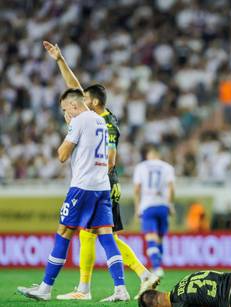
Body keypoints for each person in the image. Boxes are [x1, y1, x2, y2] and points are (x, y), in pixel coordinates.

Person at [43, 41, 158, 300]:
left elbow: (111, 159)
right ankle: (86, 288)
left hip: (102, 183)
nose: (79, 101)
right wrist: (60, 60)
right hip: (98, 184)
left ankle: (140, 273)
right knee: (92, 234)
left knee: (102, 234)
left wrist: (94, 180)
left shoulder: (105, 122)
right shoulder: (96, 116)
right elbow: (74, 88)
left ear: (92, 102)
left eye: (84, 99)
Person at [17, 89, 129, 302]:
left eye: (65, 109)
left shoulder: (79, 121)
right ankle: (120, 289)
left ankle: (45, 288)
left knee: (64, 232)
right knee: (106, 235)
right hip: (102, 186)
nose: (64, 113)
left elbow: (61, 155)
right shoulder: (100, 121)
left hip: (82, 187)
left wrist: (70, 126)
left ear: (74, 106)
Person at [133, 146, 176, 277]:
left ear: (149, 155)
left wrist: (137, 206)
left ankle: (157, 267)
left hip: (148, 205)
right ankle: (158, 265)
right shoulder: (168, 167)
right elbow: (171, 188)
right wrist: (170, 204)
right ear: (159, 156)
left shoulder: (141, 167)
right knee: (160, 238)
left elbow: (137, 188)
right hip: (163, 205)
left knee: (151, 237)